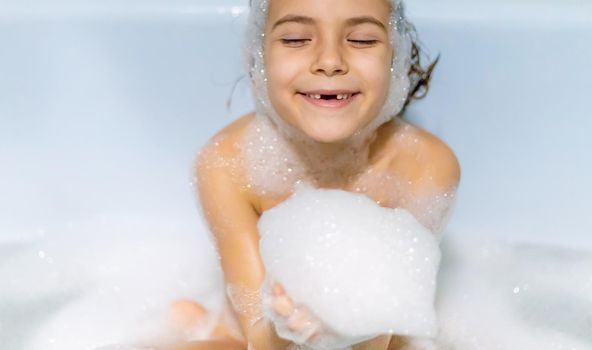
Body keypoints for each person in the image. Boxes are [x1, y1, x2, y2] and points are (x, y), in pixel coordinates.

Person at [163, 0, 460, 349]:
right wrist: (294, 329)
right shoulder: (229, 163)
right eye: (295, 39)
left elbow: (391, 320)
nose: (330, 61)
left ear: (394, 57)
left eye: (362, 40)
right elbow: (258, 333)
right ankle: (202, 326)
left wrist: (349, 328)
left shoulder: (424, 166)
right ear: (260, 56)